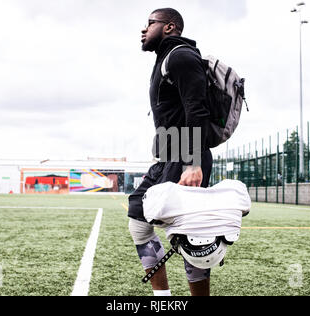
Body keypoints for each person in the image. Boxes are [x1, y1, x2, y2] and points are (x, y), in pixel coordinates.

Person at [128, 8, 213, 296]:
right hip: (168, 157)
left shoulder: (181, 56)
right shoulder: (165, 59)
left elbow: (196, 108)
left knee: (191, 238)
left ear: (169, 27)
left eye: (150, 23)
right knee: (138, 221)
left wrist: (193, 162)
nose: (144, 29)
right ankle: (162, 299)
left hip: (185, 156)